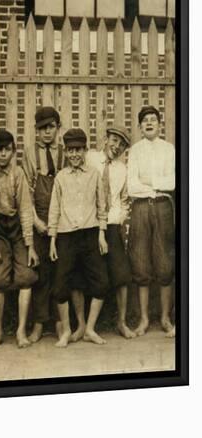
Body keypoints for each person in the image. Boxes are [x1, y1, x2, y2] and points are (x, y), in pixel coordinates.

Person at [48, 128, 109, 348]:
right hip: (65, 236)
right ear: (66, 152)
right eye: (70, 150)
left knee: (101, 283)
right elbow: (54, 210)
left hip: (91, 233)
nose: (74, 154)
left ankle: (90, 328)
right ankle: (66, 330)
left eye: (78, 150)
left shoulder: (94, 174)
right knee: (62, 285)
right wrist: (53, 239)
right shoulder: (61, 177)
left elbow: (102, 207)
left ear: (85, 150)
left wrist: (101, 235)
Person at [0, 130, 39, 348]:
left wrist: (30, 245)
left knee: (25, 276)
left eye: (8, 150)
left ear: (14, 151)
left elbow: (25, 209)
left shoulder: (18, 173)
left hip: (18, 229)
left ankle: (21, 331)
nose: (4, 154)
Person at [127, 106, 176, 338]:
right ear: (139, 127)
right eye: (144, 120)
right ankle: (144, 318)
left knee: (165, 262)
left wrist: (151, 181)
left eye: (153, 120)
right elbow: (132, 186)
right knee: (140, 262)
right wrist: (156, 183)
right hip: (140, 209)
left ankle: (166, 318)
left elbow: (173, 182)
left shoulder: (169, 149)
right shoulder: (135, 151)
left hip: (163, 207)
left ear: (159, 124)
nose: (149, 123)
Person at [86, 125, 135, 339]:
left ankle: (121, 322)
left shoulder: (122, 169)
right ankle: (86, 326)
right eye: (114, 141)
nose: (117, 147)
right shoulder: (90, 158)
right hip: (90, 224)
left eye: (122, 144)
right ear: (105, 139)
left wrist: (119, 218)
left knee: (121, 275)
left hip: (112, 225)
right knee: (91, 274)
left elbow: (125, 200)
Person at [22, 106, 65, 343]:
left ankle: (60, 322)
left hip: (61, 220)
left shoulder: (65, 151)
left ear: (58, 128)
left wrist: (59, 223)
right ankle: (38, 323)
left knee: (60, 271)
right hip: (38, 218)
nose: (46, 133)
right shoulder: (29, 153)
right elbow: (26, 191)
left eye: (50, 127)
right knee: (40, 273)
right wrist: (36, 222)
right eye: (42, 129)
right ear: (36, 131)